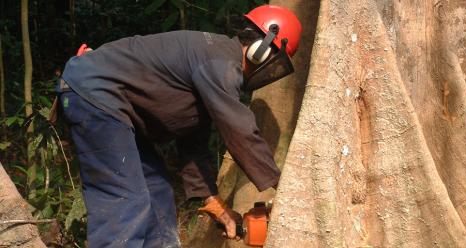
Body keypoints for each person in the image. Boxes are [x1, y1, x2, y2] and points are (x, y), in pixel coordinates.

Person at [56, 5, 302, 247]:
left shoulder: (214, 65)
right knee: (125, 199)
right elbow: (240, 130)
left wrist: (215, 203)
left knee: (157, 192)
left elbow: (193, 142)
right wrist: (281, 185)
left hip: (117, 110)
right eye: (274, 60)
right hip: (95, 95)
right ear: (260, 50)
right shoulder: (221, 62)